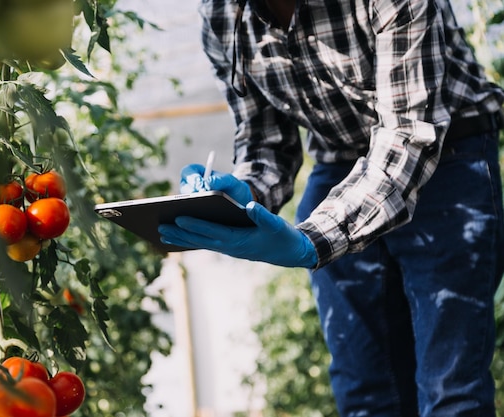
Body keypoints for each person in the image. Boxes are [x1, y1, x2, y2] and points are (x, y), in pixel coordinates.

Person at [158, 0, 504, 415]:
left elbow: (408, 135)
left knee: (450, 390)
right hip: (340, 162)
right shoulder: (223, 14)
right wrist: (237, 195)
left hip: (447, 156)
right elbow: (266, 141)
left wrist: (311, 239)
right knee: (365, 390)